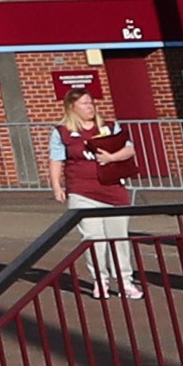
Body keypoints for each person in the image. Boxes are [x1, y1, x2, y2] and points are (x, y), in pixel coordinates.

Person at [54, 92, 142, 299]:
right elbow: (56, 160)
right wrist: (57, 185)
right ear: (72, 107)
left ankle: (125, 281)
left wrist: (112, 157)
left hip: (113, 190)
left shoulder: (110, 127)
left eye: (91, 102)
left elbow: (129, 150)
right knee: (93, 237)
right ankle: (100, 280)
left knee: (118, 237)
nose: (90, 106)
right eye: (84, 103)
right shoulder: (62, 132)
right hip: (82, 191)